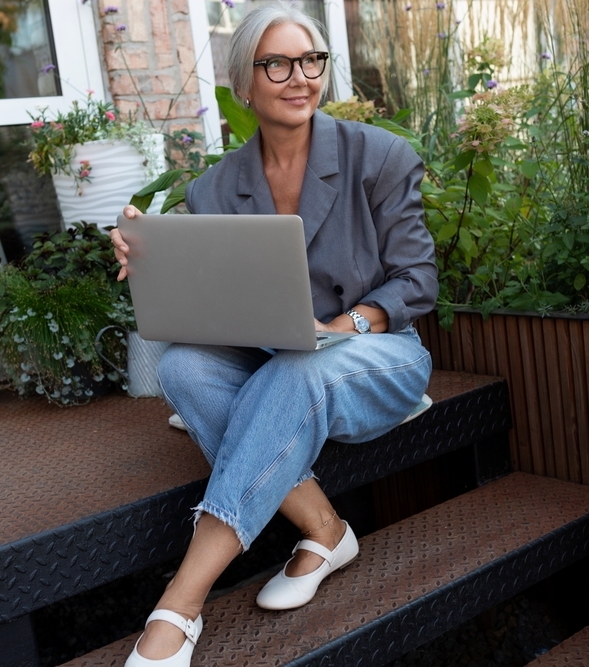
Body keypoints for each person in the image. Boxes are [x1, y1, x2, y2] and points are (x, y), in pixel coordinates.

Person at [109, 3, 438, 665]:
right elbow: (216, 301)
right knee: (182, 370)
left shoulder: (379, 156)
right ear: (245, 85)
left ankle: (181, 599)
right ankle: (324, 527)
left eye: (311, 60)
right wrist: (149, 259)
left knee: (297, 368)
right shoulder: (212, 189)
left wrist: (340, 328)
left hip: (379, 353)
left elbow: (417, 280)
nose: (300, 77)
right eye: (278, 63)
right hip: (279, 359)